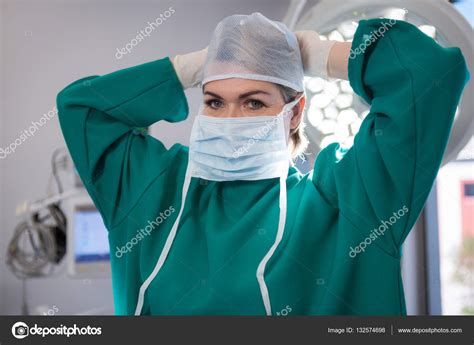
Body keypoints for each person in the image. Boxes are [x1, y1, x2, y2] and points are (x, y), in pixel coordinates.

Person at [56, 12, 469, 315]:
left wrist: (321, 55)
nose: (230, 119)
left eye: (254, 102)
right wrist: (197, 65)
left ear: (293, 113)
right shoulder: (153, 193)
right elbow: (81, 107)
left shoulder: (345, 203)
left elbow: (429, 70)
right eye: (215, 101)